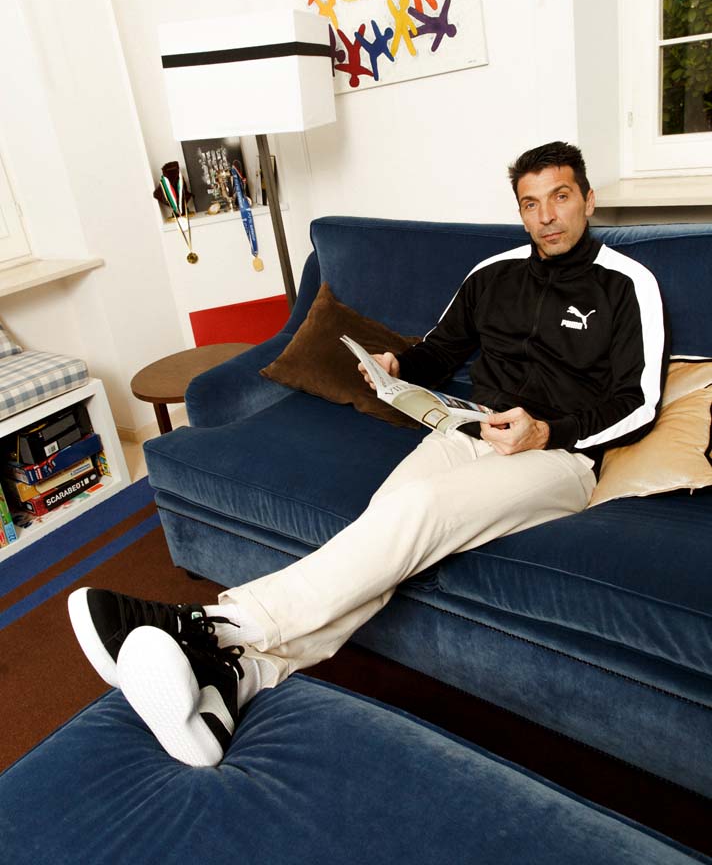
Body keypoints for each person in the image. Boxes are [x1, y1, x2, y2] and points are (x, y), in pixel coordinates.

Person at [68, 141, 669, 768]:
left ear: (588, 200)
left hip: (561, 459)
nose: (546, 215)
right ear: (519, 211)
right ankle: (233, 685)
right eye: (530, 203)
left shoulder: (629, 284)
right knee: (385, 530)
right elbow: (439, 350)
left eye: (560, 197)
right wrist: (398, 366)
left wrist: (546, 432)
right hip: (464, 430)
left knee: (419, 510)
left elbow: (640, 404)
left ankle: (215, 625)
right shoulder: (493, 274)